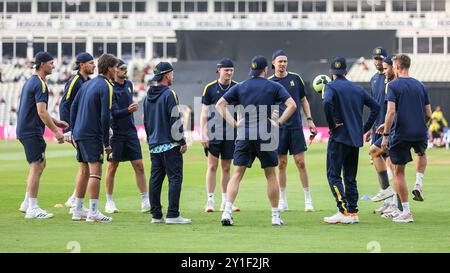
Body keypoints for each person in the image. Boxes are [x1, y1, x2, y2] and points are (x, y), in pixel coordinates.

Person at [216, 55, 297, 226]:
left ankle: (226, 212)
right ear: (266, 69)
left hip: (244, 133)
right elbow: (292, 105)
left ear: (252, 69)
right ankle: (275, 216)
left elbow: (219, 105)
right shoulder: (273, 86)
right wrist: (278, 122)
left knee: (237, 174)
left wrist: (235, 123)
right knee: (270, 175)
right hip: (265, 134)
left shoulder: (241, 86)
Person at [323, 56, 380, 224]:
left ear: (331, 73)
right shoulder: (357, 88)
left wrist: (332, 124)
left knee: (333, 175)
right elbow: (376, 107)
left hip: (339, 138)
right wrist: (364, 127)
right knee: (350, 177)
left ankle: (343, 211)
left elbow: (326, 103)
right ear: (346, 72)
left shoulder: (330, 87)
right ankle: (353, 212)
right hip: (354, 139)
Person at [381, 54, 432, 223]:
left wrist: (386, 135)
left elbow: (390, 112)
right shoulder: (420, 86)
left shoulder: (393, 85)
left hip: (401, 134)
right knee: (421, 153)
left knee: (398, 172)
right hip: (419, 132)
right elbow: (429, 115)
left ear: (396, 67)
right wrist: (417, 124)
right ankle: (418, 183)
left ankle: (406, 212)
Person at [17, 51, 68, 219]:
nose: (53, 66)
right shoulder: (40, 84)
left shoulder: (31, 82)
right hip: (31, 130)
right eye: (51, 63)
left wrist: (57, 122)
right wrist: (56, 132)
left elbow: (39, 111)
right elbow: (41, 112)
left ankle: (26, 202)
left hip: (27, 129)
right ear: (42, 64)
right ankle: (32, 208)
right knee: (37, 166)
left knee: (40, 163)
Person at [70, 53, 118, 222]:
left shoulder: (87, 84)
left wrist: (74, 130)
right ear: (110, 68)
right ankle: (93, 211)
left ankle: (77, 210)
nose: (117, 71)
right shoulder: (107, 86)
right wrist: (106, 142)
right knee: (95, 172)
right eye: (115, 67)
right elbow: (105, 116)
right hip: (92, 134)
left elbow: (73, 107)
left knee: (84, 170)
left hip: (80, 133)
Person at [268, 50, 316, 212]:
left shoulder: (295, 79)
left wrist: (309, 120)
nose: (282, 64)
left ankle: (308, 200)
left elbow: (303, 99)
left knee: (301, 163)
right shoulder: (270, 82)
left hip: (295, 126)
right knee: (281, 164)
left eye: (285, 61)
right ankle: (282, 200)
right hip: (278, 129)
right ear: (273, 63)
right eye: (280, 61)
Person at [143, 62, 190, 224]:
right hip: (170, 144)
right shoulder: (170, 94)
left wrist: (151, 141)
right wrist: (182, 141)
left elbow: (146, 122)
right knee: (175, 178)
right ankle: (173, 214)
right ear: (167, 75)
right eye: (172, 74)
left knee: (155, 180)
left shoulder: (147, 95)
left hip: (154, 144)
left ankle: (156, 216)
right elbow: (175, 119)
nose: (173, 76)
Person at [104, 60, 150, 214]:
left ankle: (145, 200)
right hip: (116, 133)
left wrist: (129, 110)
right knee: (112, 166)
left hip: (130, 131)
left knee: (139, 165)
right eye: (122, 68)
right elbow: (113, 113)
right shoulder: (109, 88)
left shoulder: (129, 84)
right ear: (114, 70)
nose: (125, 70)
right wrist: (128, 110)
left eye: (125, 68)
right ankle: (109, 201)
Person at [201, 58, 240, 213]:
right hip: (213, 132)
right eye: (226, 70)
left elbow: (241, 111)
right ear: (219, 70)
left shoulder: (237, 87)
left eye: (231, 70)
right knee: (212, 166)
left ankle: (225, 201)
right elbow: (204, 112)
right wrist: (203, 133)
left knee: (226, 167)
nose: (229, 73)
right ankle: (210, 201)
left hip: (231, 134)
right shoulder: (209, 88)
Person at [59, 52, 96, 210]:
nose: (94, 65)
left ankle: (75, 198)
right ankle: (75, 199)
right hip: (76, 129)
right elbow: (65, 103)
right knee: (86, 164)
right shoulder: (75, 80)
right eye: (91, 63)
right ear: (82, 65)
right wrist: (67, 129)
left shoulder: (88, 81)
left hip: (83, 127)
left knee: (85, 164)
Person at [364, 47, 395, 205]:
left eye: (381, 59)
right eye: (376, 59)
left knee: (391, 165)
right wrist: (370, 128)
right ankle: (387, 201)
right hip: (377, 127)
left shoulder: (391, 79)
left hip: (389, 128)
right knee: (379, 163)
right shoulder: (374, 79)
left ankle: (394, 203)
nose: (378, 62)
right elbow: (373, 106)